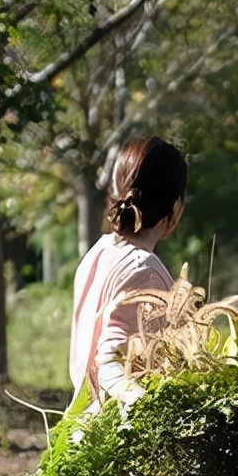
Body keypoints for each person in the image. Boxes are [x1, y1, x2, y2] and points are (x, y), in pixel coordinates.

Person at [68, 136, 188, 406]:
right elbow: (111, 362)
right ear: (176, 206)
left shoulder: (99, 253)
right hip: (126, 437)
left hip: (85, 431)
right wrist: (148, 405)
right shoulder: (144, 270)